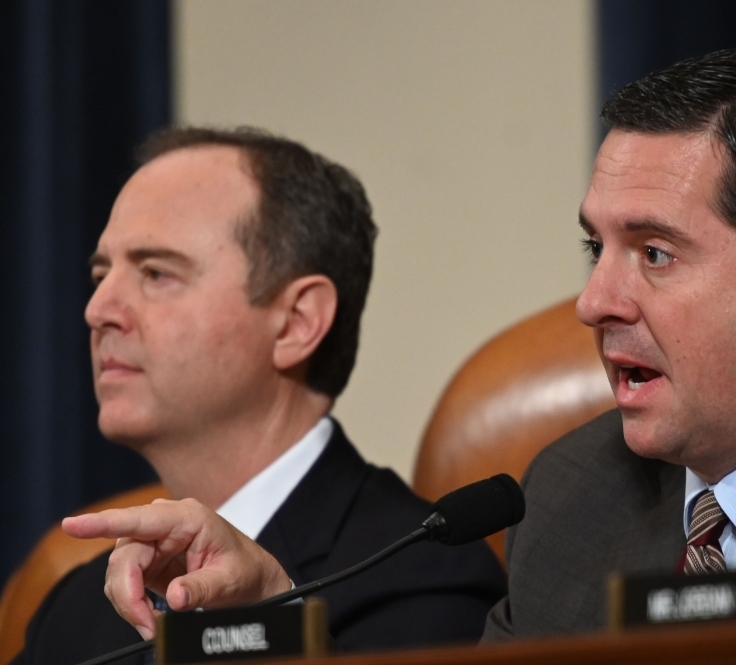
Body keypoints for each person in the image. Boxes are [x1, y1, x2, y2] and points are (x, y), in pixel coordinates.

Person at [61, 48, 736, 642]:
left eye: (656, 253)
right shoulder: (573, 488)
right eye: (599, 248)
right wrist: (276, 625)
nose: (595, 300)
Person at [14, 127, 506, 664]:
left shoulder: (425, 577)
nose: (97, 310)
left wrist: (277, 616)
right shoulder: (74, 609)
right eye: (101, 273)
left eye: (156, 273)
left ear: (296, 322)